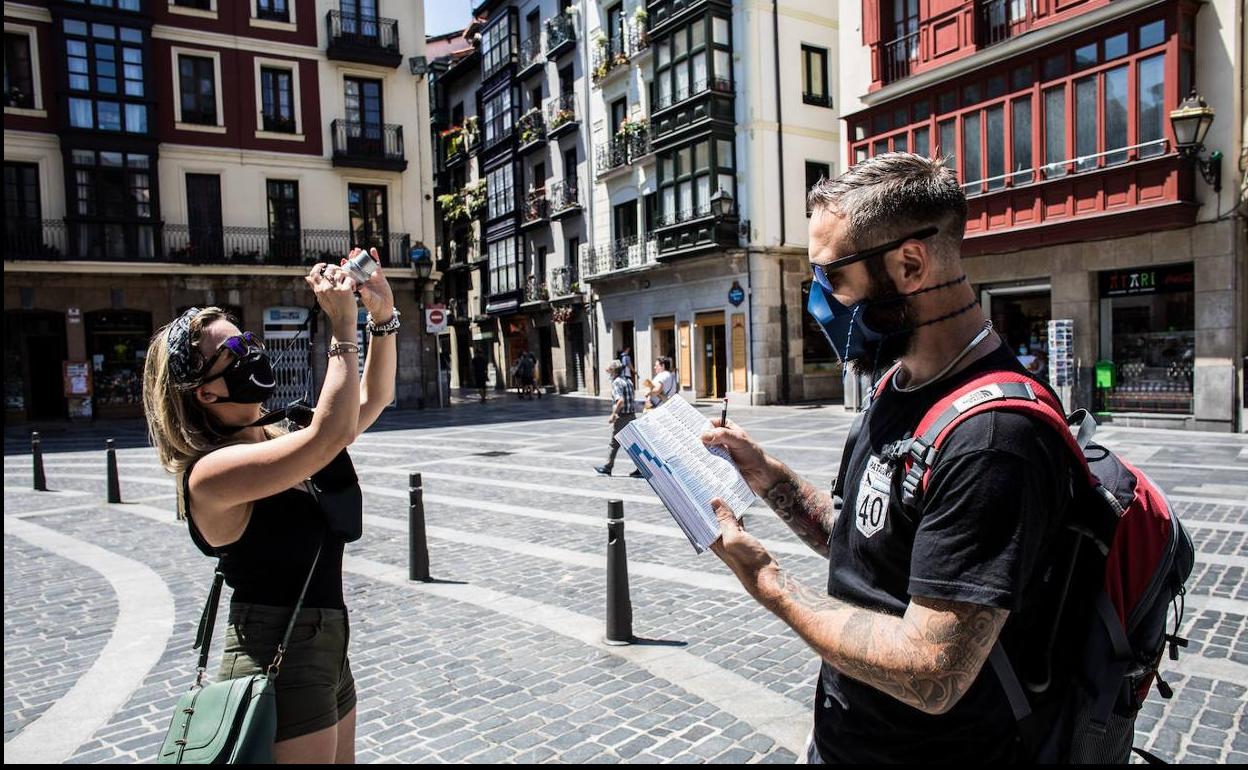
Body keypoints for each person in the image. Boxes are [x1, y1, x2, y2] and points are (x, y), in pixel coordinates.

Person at [701, 154, 1074, 764]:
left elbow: (935, 669)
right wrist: (769, 476)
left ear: (908, 264)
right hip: (846, 740)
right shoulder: (894, 386)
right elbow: (868, 540)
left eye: (833, 277)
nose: (821, 301)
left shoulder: (993, 436)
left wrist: (769, 583)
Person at [142, 248, 398, 764]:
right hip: (275, 652)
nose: (249, 349)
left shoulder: (280, 433)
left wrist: (384, 317)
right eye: (233, 349)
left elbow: (371, 402)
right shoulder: (210, 474)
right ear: (206, 394)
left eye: (246, 338)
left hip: (326, 639)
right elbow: (330, 435)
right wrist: (343, 328)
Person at [594, 360, 644, 478]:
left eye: (610, 370)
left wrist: (613, 414)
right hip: (631, 416)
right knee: (634, 444)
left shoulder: (617, 382)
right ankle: (641, 468)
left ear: (613, 371)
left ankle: (607, 467)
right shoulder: (629, 381)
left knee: (614, 443)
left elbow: (620, 400)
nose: (608, 373)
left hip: (622, 417)